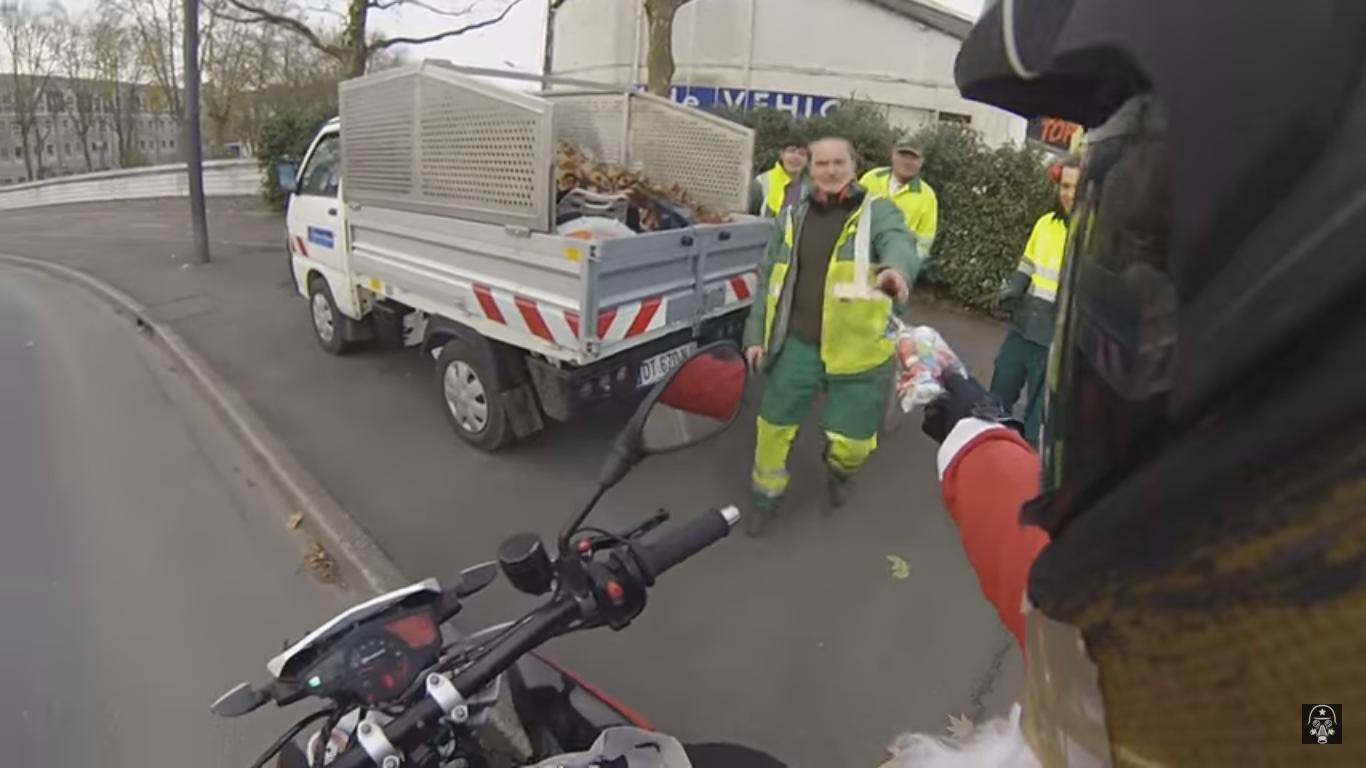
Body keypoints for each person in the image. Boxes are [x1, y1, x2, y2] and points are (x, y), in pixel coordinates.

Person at [889, 1, 1366, 765]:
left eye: (1160, 265)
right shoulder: (1199, 646)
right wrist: (971, 427)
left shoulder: (1299, 708)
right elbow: (1086, 615)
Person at [742, 137, 919, 536]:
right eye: (821, 164)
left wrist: (896, 270)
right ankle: (764, 500)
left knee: (853, 443)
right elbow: (768, 277)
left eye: (838, 162)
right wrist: (755, 335)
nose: (830, 170)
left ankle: (839, 472)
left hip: (858, 351)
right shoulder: (792, 217)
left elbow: (900, 243)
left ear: (854, 167)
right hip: (797, 345)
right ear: (811, 169)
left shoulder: (878, 212)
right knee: (771, 430)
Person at [987, 158, 1080, 443]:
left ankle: (1026, 472)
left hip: (1057, 339)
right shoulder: (1045, 224)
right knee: (998, 392)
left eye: (1077, 187)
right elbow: (1027, 264)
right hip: (1026, 325)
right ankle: (991, 449)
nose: (1069, 194)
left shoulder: (1094, 234)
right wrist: (1011, 291)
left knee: (1038, 416)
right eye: (1065, 186)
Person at [858, 142, 939, 256]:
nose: (907, 162)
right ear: (893, 155)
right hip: (860, 256)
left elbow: (924, 241)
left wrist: (908, 266)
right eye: (903, 155)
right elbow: (850, 214)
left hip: (896, 263)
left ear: (921, 162)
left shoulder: (927, 195)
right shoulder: (871, 178)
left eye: (913, 158)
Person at [747, 139, 810, 219]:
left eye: (802, 154)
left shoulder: (811, 189)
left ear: (807, 160)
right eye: (791, 151)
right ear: (781, 154)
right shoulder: (760, 183)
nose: (796, 157)